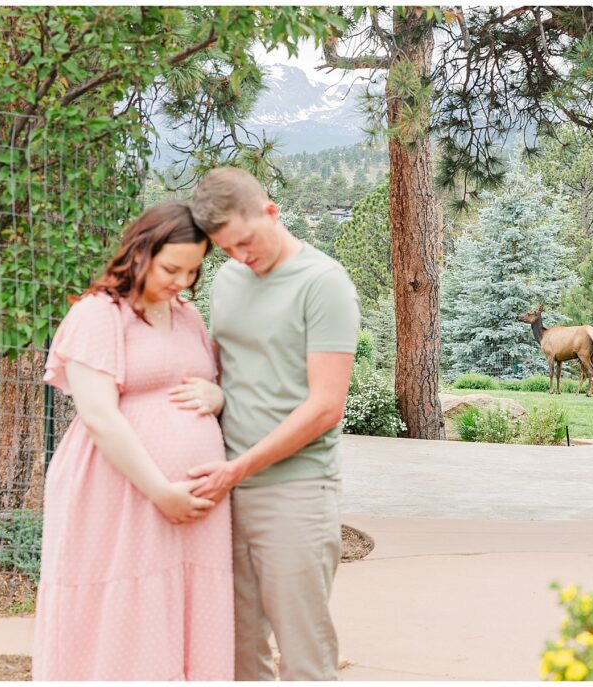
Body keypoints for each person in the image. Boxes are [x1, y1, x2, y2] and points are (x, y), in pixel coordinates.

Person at [33, 202, 234, 680]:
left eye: (192, 271)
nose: (182, 281)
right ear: (139, 252)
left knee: (187, 607)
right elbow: (99, 415)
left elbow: (198, 381)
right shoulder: (98, 315)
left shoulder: (186, 315)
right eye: (171, 268)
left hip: (193, 511)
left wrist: (218, 394)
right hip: (121, 492)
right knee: (122, 602)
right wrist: (161, 491)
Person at [185, 167, 360, 680]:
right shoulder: (228, 280)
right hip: (225, 491)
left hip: (296, 490)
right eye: (226, 249)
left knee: (304, 650)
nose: (241, 256)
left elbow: (326, 407)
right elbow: (221, 369)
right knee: (237, 651)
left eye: (245, 241)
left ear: (271, 212)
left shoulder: (324, 284)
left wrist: (237, 470)